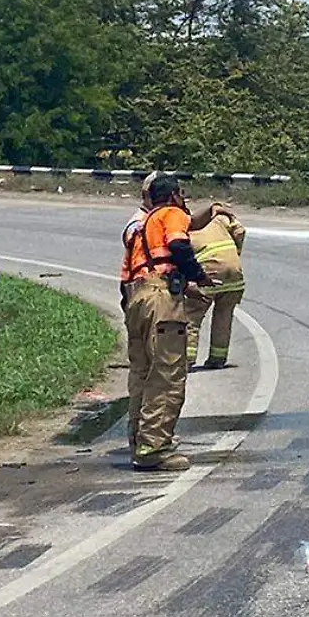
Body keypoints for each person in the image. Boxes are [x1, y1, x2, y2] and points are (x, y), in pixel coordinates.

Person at [120, 174, 210, 472]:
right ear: (174, 195)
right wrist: (199, 276)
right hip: (161, 301)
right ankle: (154, 449)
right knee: (167, 375)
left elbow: (148, 265)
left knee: (142, 374)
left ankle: (139, 441)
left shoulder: (141, 225)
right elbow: (180, 247)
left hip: (137, 299)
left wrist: (185, 284)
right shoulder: (171, 214)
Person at [185, 203, 247, 370]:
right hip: (234, 276)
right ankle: (217, 359)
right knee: (224, 316)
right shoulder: (219, 219)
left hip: (208, 275)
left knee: (191, 317)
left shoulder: (183, 228)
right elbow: (240, 231)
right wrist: (236, 253)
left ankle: (187, 359)